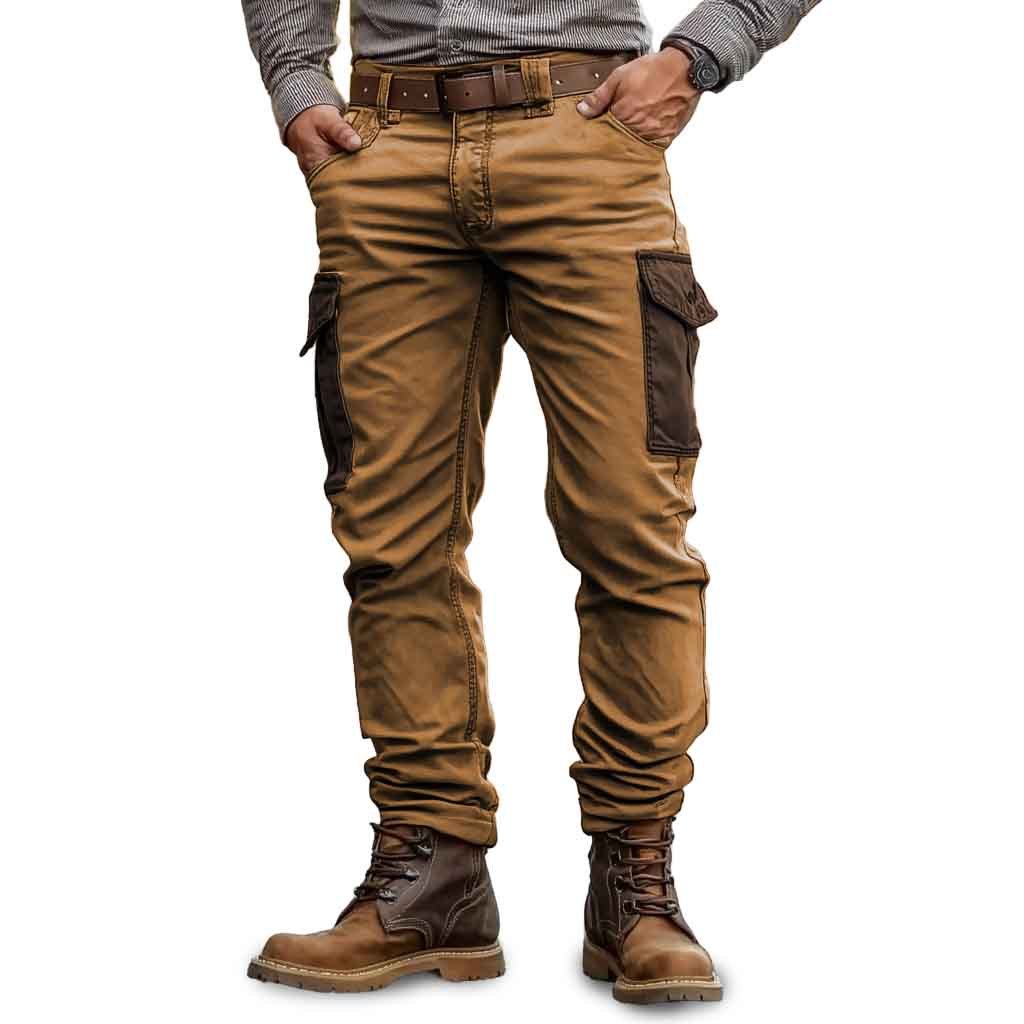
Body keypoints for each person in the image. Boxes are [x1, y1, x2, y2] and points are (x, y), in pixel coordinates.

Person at [241, 0, 818, 1004]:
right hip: (384, 151)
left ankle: (635, 882)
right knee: (391, 537)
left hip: (587, 139)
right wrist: (295, 80)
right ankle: (433, 874)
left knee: (630, 528)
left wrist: (698, 55)